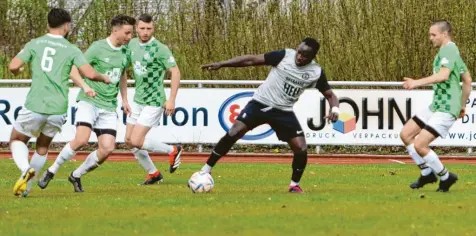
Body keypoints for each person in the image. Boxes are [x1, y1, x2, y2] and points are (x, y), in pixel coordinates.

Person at [198, 37, 340, 193]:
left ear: (313, 57)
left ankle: (294, 185)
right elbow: (251, 60)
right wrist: (222, 64)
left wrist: (335, 110)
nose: (299, 57)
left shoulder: (316, 72)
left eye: (305, 55)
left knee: (301, 148)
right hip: (260, 104)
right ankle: (206, 169)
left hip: (283, 111)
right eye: (299, 52)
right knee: (234, 132)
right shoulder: (284, 56)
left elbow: (330, 95)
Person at [8, 8, 109, 197]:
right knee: (42, 147)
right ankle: (26, 190)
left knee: (16, 139)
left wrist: (18, 70)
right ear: (67, 26)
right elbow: (89, 73)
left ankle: (24, 169)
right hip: (58, 109)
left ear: (48, 24)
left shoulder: (35, 43)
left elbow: (13, 66)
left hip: (36, 104)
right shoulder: (71, 49)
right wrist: (103, 77)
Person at [38, 15, 136, 192]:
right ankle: (51, 171)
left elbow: (122, 74)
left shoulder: (125, 51)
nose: (130, 37)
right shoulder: (98, 48)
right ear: (115, 30)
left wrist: (125, 100)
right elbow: (73, 69)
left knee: (107, 148)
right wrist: (84, 86)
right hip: (89, 101)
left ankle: (76, 175)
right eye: (127, 33)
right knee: (82, 139)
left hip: (108, 105)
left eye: (131, 33)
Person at [400, 20, 471, 192]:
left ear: (444, 34)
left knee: (420, 145)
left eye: (433, 35)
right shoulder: (452, 53)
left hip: (446, 107)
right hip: (437, 104)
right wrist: (462, 106)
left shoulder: (449, 49)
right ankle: (427, 173)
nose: (430, 38)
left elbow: (443, 75)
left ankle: (446, 177)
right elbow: (467, 80)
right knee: (406, 134)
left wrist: (416, 83)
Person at [124, 14, 183, 185]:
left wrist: (171, 99)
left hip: (154, 101)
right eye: (142, 28)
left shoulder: (160, 48)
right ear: (136, 28)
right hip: (138, 100)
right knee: (128, 141)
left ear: (153, 29)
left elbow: (176, 72)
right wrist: (125, 98)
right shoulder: (132, 45)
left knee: (136, 141)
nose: (145, 32)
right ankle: (153, 173)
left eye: (149, 29)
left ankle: (172, 150)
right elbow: (123, 70)